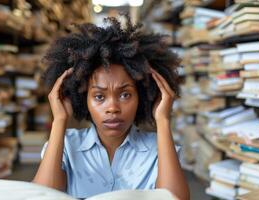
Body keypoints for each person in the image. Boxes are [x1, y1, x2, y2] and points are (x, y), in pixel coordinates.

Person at [33, 15, 189, 200]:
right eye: (99, 96)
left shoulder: (158, 148)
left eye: (125, 95)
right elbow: (39, 196)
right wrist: (59, 120)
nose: (113, 108)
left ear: (142, 96)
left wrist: (163, 120)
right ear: (83, 99)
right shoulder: (65, 145)